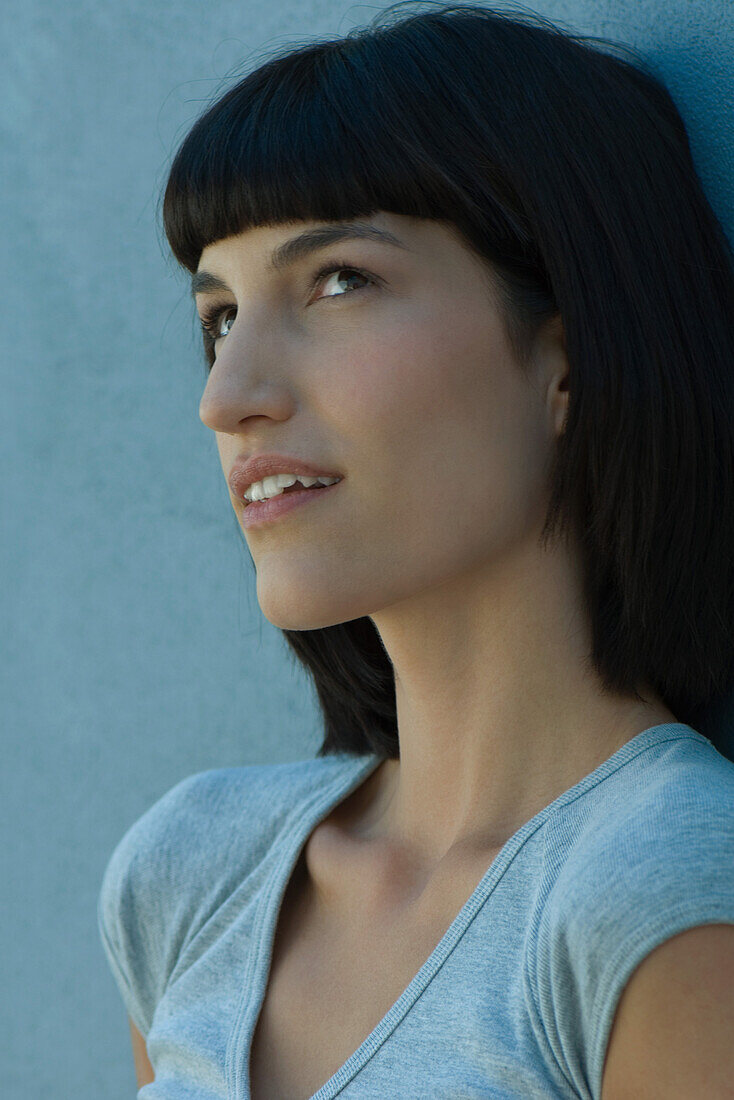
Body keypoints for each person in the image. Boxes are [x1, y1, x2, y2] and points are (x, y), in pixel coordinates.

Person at [98, 3, 734, 1097]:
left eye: (338, 279)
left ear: (567, 360)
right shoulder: (188, 866)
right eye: (217, 316)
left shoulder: (659, 889)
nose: (228, 396)